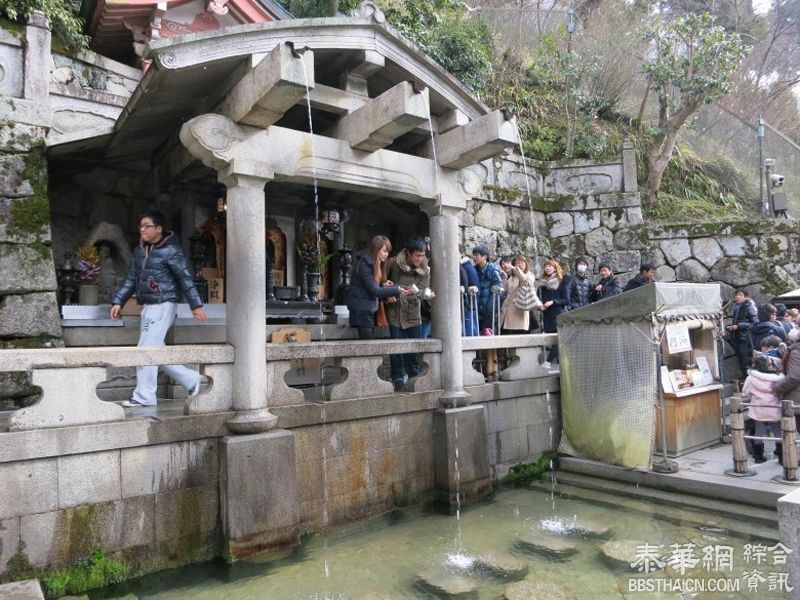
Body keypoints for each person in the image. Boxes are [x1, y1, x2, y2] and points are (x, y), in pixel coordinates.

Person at [110, 210, 208, 407]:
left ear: (159, 229)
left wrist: (196, 305)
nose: (142, 229)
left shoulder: (172, 251)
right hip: (148, 305)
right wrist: (118, 301)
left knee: (146, 349)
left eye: (147, 226)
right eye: (141, 226)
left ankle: (144, 395)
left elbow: (185, 278)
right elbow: (131, 279)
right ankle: (191, 379)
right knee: (156, 349)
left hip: (164, 303)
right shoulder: (140, 252)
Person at [386, 239, 431, 391]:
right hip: (395, 312)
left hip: (413, 312)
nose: (420, 259)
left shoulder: (425, 270)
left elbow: (422, 290)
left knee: (414, 349)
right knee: (396, 348)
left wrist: (416, 292)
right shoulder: (393, 264)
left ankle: (414, 378)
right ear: (409, 253)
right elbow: (382, 282)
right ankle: (398, 378)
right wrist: (388, 293)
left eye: (422, 255)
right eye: (417, 255)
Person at [347, 235, 413, 340]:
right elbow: (375, 291)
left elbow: (370, 288)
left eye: (388, 252)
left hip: (367, 309)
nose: (386, 255)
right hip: (362, 311)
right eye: (384, 251)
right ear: (376, 250)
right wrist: (397, 290)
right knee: (367, 347)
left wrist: (384, 287)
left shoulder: (373, 263)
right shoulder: (365, 265)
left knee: (369, 347)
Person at [742, 352, 784, 463]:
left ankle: (758, 457)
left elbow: (745, 392)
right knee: (778, 432)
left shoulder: (751, 378)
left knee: (758, 433)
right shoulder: (777, 378)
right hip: (774, 408)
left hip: (758, 408)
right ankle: (782, 458)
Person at [537, 258, 568, 365]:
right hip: (547, 316)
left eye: (550, 266)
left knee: (557, 339)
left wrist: (553, 302)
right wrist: (540, 305)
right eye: (546, 266)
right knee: (551, 339)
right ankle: (561, 362)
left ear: (555, 268)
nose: (547, 268)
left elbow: (566, 300)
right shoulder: (542, 285)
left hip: (558, 314)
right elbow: (538, 300)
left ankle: (548, 362)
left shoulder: (562, 282)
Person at [499, 254, 540, 335]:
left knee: (521, 333)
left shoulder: (529, 275)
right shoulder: (511, 277)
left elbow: (526, 282)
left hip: (520, 309)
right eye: (517, 263)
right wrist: (504, 278)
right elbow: (505, 290)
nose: (520, 265)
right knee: (506, 334)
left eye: (522, 262)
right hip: (508, 310)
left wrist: (516, 270)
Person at [726, 289, 759, 379]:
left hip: (746, 339)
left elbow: (755, 322)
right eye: (736, 295)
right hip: (738, 338)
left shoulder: (749, 307)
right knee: (741, 362)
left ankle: (749, 382)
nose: (737, 297)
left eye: (740, 295)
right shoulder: (737, 307)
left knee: (745, 363)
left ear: (746, 297)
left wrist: (739, 326)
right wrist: (731, 326)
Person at [472, 245, 503, 334]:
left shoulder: (492, 269)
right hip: (478, 307)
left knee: (488, 333)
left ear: (485, 256)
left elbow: (499, 288)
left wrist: (490, 308)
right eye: (473, 255)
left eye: (477, 255)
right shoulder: (475, 269)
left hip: (489, 309)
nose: (474, 257)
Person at [459, 245, 479, 336]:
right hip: (466, 305)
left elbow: (475, 287)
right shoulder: (464, 266)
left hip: (468, 305)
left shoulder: (468, 268)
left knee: (468, 331)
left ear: (462, 254)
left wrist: (471, 305)